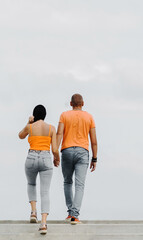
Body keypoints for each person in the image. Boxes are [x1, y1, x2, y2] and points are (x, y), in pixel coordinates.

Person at [56, 93, 98, 225]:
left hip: (67, 150)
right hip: (82, 151)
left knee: (67, 182)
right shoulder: (89, 117)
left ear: (70, 104)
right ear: (83, 104)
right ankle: (75, 216)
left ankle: (70, 213)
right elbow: (94, 141)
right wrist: (94, 158)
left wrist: (55, 153)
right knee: (79, 185)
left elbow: (59, 134)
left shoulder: (64, 115)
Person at [18, 104, 60, 234]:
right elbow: (54, 149)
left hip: (31, 156)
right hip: (46, 157)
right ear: (45, 115)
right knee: (45, 191)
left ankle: (33, 213)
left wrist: (29, 121)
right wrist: (56, 158)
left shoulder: (30, 127)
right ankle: (43, 224)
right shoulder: (51, 128)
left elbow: (20, 135)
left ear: (34, 115)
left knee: (31, 184)